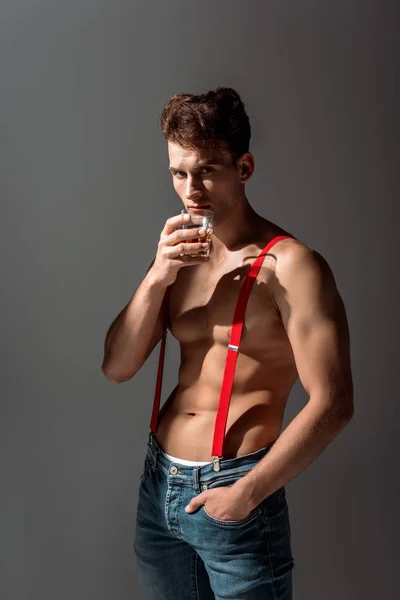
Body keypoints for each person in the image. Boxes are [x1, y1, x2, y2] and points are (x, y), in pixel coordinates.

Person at [101, 87, 354, 600]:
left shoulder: (293, 267)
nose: (191, 188)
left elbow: (334, 404)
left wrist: (247, 494)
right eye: (178, 172)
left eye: (207, 170)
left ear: (244, 167)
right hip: (158, 488)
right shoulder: (177, 254)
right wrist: (157, 277)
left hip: (235, 491)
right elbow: (117, 366)